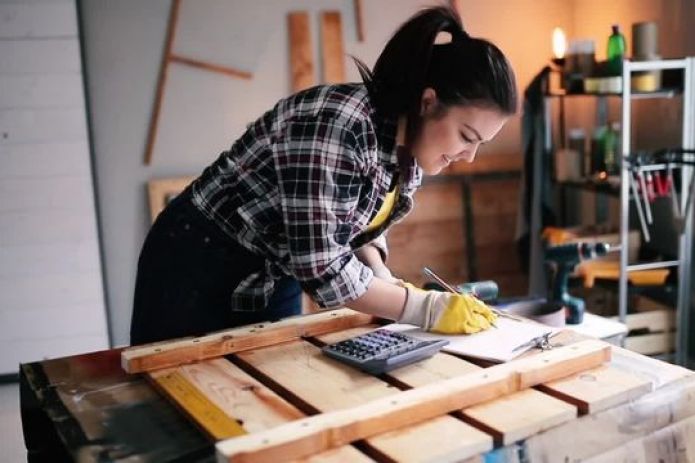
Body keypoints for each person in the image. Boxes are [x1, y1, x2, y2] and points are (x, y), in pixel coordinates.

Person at [130, 6, 517, 345]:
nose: (468, 157)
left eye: (479, 144)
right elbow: (322, 267)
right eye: (467, 137)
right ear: (428, 101)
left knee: (259, 405)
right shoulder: (339, 124)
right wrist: (423, 307)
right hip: (200, 258)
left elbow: (351, 224)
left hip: (275, 269)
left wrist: (383, 277)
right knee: (172, 406)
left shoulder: (408, 150)